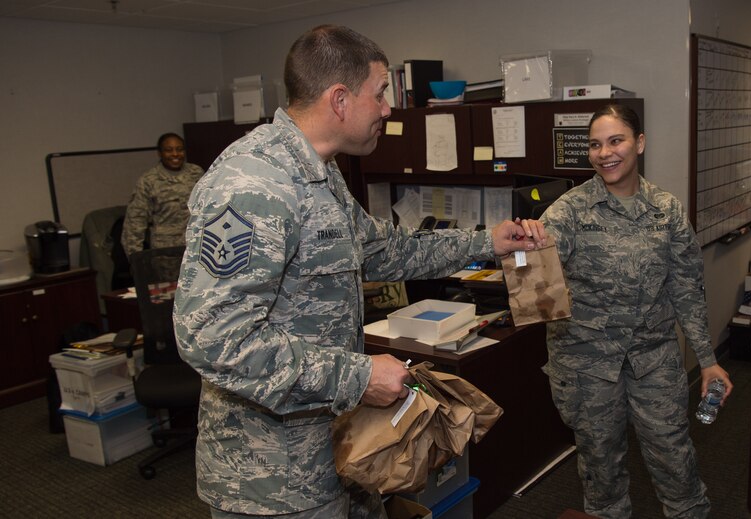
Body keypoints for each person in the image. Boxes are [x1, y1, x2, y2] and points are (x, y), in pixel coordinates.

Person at [173, 25, 545, 519]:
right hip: (272, 479)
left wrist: (486, 243)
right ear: (340, 99)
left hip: (338, 451)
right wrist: (359, 375)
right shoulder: (253, 183)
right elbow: (212, 337)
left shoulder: (320, 173)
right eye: (381, 93)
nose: (389, 109)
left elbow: (386, 250)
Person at [539, 103, 734, 519]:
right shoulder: (567, 212)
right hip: (588, 366)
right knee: (601, 472)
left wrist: (708, 360)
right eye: (594, 144)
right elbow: (537, 292)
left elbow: (686, 288)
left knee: (675, 460)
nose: (605, 153)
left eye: (616, 140)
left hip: (654, 359)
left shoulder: (666, 210)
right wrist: (525, 252)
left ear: (639, 143)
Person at [121, 132, 204, 257]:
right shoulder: (149, 181)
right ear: (160, 153)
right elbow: (135, 224)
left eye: (179, 149)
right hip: (166, 252)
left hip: (197, 247)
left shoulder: (196, 173)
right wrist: (136, 261)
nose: (175, 154)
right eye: (169, 150)